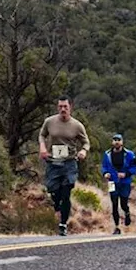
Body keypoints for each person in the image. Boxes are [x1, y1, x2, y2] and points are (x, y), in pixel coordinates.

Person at [39, 96, 89, 236]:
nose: (62, 109)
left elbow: (86, 142)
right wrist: (42, 148)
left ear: (70, 107)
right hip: (53, 161)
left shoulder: (77, 125)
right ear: (57, 107)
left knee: (66, 193)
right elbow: (42, 135)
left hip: (69, 162)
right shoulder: (49, 122)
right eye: (60, 106)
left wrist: (83, 151)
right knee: (53, 190)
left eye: (65, 107)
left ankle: (63, 224)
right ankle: (57, 205)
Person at [101, 133, 136, 235]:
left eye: (119, 140)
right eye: (115, 140)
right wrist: (105, 173)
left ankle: (127, 212)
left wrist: (126, 174)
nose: (117, 142)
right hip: (112, 182)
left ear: (122, 142)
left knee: (123, 202)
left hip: (125, 182)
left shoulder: (129, 154)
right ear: (112, 142)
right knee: (114, 204)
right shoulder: (107, 154)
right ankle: (117, 227)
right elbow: (104, 166)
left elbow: (134, 168)